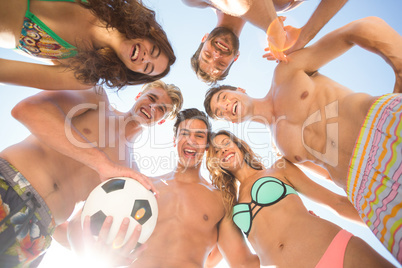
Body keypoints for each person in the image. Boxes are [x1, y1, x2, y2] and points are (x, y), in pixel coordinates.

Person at [203, 16, 402, 262]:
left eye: (223, 97)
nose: (224, 107)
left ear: (239, 90)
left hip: (386, 130)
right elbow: (331, 180)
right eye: (219, 112)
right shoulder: (283, 151)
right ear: (231, 122)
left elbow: (357, 30)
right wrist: (374, 217)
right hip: (368, 191)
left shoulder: (286, 71)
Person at [0, 80, 183, 267]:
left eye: (161, 109)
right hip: (7, 183)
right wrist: (101, 163)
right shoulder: (97, 99)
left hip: (37, 233)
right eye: (151, 98)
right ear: (139, 96)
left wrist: (98, 252)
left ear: (161, 120)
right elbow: (27, 110)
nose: (152, 107)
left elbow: (74, 228)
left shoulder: (130, 174)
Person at [80, 108, 257, 267]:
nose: (191, 141)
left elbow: (243, 263)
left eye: (199, 135)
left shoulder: (221, 200)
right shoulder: (142, 186)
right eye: (185, 134)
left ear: (206, 146)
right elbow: (89, 231)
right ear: (175, 140)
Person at [207, 130, 394, 267]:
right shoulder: (229, 207)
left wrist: (388, 226)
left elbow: (335, 202)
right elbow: (222, 258)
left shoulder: (279, 168)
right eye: (216, 151)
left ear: (239, 145)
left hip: (335, 249)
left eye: (226, 143)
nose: (223, 150)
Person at [0, 0, 176, 90]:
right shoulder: (95, 3)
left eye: (147, 68)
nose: (146, 58)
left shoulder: (82, 75)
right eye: (153, 50)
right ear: (147, 34)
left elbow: (4, 72)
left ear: (133, 71)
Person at [185, 0, 348, 84]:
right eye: (221, 64)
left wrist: (273, 29)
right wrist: (305, 36)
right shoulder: (282, 5)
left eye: (207, 55)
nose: (216, 54)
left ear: (204, 38)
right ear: (236, 57)